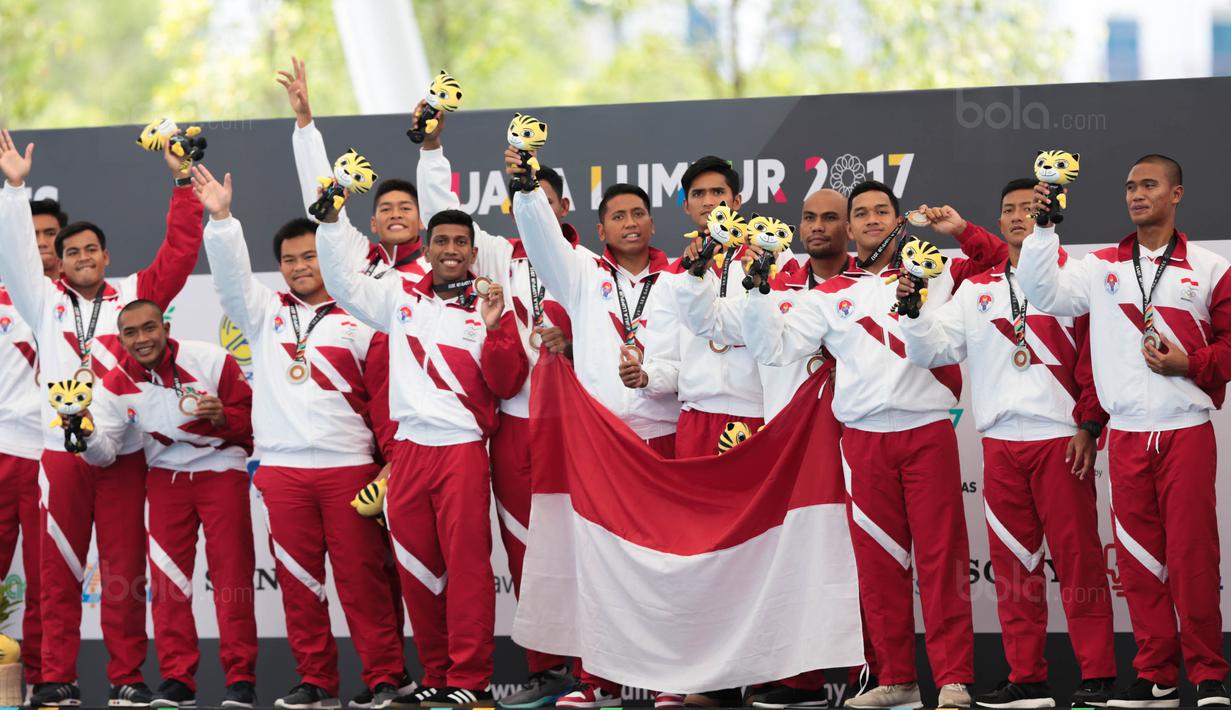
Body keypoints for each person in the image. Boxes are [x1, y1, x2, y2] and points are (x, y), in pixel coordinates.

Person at [743, 180, 1008, 709]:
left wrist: (961, 230)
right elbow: (774, 348)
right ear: (848, 226)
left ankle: (953, 678)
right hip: (862, 440)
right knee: (879, 563)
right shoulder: (827, 294)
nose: (870, 219)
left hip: (926, 431)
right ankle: (896, 678)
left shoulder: (936, 269)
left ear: (896, 218)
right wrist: (756, 292)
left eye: (880, 211)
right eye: (860, 212)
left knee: (940, 559)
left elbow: (1002, 265)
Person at [0, 128, 205, 707]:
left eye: (92, 249)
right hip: (61, 455)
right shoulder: (43, 301)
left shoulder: (134, 296)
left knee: (123, 572)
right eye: (72, 252)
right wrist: (14, 190)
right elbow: (15, 255)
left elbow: (179, 254)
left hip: (123, 455)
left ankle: (126, 677)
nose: (83, 257)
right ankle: (55, 677)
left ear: (106, 256)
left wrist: (183, 185)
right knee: (57, 572)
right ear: (59, 262)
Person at [1017, 154, 1231, 709]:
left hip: (1185, 430)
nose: (1136, 194)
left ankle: (1209, 674)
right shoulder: (1099, 266)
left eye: (1149, 185)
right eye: (1130, 186)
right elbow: (1041, 292)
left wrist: (1190, 365)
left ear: (1176, 194)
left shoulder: (1211, 268)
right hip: (1129, 434)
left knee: (1193, 558)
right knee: (1137, 560)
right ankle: (1157, 674)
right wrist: (1044, 229)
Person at [897, 178, 1118, 709]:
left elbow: (1095, 360)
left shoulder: (1074, 281)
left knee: (1079, 561)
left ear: (1045, 216)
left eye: (1028, 208)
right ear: (998, 221)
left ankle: (1098, 676)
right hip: (999, 444)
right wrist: (915, 313)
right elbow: (932, 351)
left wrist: (1089, 426)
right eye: (1009, 209)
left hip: (1059, 439)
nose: (1019, 215)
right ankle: (1028, 677)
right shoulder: (975, 289)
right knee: (1015, 566)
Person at [195, 165, 407, 710]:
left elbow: (385, 403)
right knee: (297, 584)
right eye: (289, 259)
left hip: (349, 468)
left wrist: (389, 466)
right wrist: (222, 220)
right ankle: (316, 681)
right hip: (283, 471)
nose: (299, 266)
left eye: (309, 256)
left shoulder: (364, 315)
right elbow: (230, 279)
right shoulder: (263, 312)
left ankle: (386, 677)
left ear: (327, 257)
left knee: (363, 581)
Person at [316, 196, 529, 709]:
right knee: (416, 568)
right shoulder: (398, 295)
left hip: (461, 449)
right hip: (408, 452)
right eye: (442, 241)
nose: (451, 249)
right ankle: (437, 673)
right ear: (427, 250)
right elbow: (342, 284)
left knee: (467, 568)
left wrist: (496, 326)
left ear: (473, 252)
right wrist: (330, 224)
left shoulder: (490, 304)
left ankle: (471, 680)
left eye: (460, 242)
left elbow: (507, 383)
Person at [413, 109, 583, 709]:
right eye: (527, 200)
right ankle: (547, 669)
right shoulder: (498, 257)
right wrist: (432, 148)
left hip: (577, 423)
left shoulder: (589, 265)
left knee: (585, 541)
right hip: (514, 422)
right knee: (522, 546)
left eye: (547, 201)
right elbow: (443, 213)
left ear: (562, 208)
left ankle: (596, 671)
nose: (537, 211)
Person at [675, 187, 862, 709]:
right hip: (792, 441)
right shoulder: (773, 283)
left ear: (848, 227)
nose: (818, 226)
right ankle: (796, 680)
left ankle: (869, 675)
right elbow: (707, 321)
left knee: (858, 558)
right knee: (791, 555)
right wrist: (696, 273)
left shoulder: (871, 286)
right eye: (809, 217)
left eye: (830, 217)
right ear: (799, 227)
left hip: (858, 436)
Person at [510, 151, 682, 709]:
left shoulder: (681, 279)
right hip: (600, 441)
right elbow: (540, 240)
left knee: (665, 561)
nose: (630, 223)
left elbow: (694, 360)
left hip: (663, 434)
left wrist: (654, 378)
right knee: (597, 562)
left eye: (638, 213)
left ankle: (670, 678)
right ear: (600, 228)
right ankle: (598, 680)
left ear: (652, 223)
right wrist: (526, 187)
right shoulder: (580, 272)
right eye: (618, 216)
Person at [80, 299, 258, 708]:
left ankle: (241, 679)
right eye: (131, 333)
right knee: (167, 586)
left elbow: (253, 420)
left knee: (232, 578)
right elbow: (104, 454)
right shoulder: (113, 384)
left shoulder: (211, 358)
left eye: (149, 328)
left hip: (220, 469)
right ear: (120, 339)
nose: (142, 339)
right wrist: (84, 433)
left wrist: (223, 418)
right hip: (165, 478)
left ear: (166, 328)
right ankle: (178, 679)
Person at [281, 56, 429, 282]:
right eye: (386, 209)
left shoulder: (435, 272)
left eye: (405, 208)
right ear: (373, 223)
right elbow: (325, 200)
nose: (395, 214)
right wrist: (304, 119)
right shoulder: (360, 255)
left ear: (421, 221)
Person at [0, 195, 62, 696]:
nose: (41, 243)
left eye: (50, 235)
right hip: (2, 452)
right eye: (32, 234)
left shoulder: (81, 301)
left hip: (52, 456)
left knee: (47, 581)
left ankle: (47, 683)